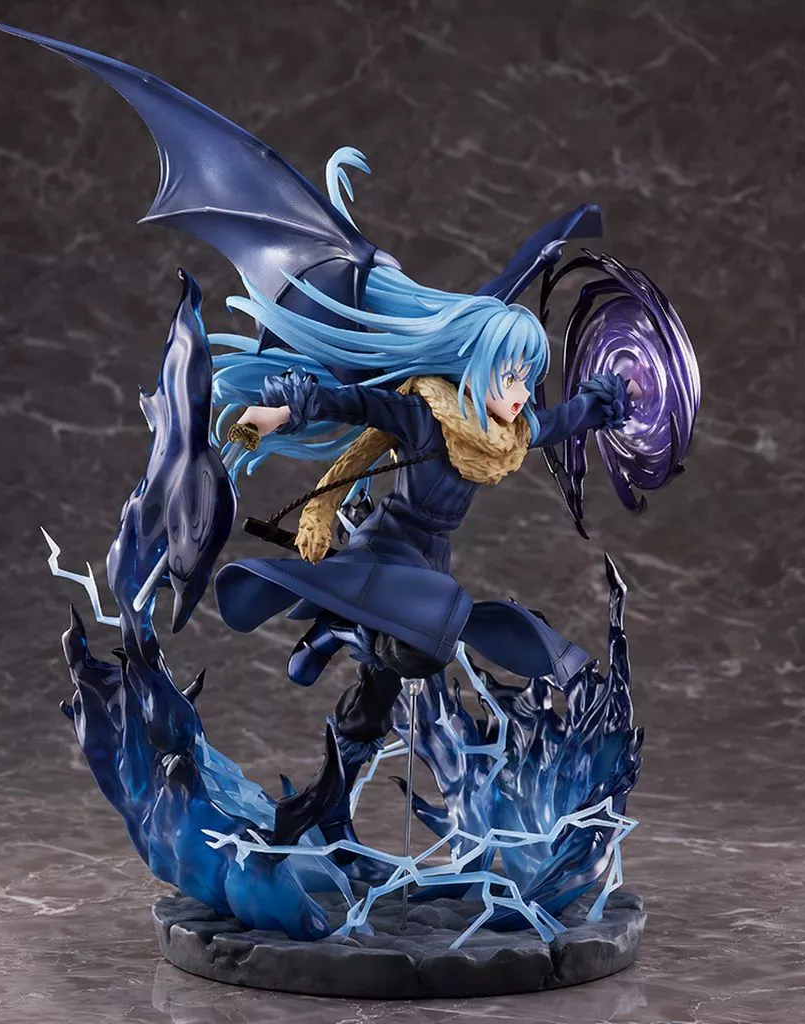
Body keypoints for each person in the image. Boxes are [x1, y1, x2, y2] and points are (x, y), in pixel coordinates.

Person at [207, 265, 635, 853]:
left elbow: (564, 420)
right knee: (431, 634)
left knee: (384, 690)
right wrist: (281, 412)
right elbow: (355, 404)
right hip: (390, 545)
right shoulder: (426, 414)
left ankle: (330, 806)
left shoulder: (507, 434)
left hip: (431, 560)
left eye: (528, 378)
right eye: (508, 374)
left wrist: (604, 400)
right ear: (474, 365)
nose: (520, 393)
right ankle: (334, 631)